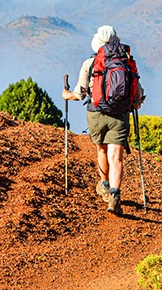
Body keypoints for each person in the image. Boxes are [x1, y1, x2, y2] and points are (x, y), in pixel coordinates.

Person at [62, 25, 144, 216]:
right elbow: (138, 93)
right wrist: (137, 102)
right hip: (121, 114)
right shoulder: (127, 62)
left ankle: (105, 187)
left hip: (96, 113)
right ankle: (116, 195)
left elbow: (79, 94)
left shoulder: (90, 63)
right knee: (116, 156)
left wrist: (66, 95)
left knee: (101, 149)